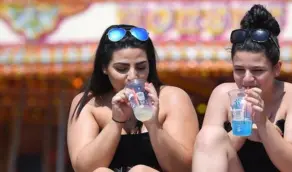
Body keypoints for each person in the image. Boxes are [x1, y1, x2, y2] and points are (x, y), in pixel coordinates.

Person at [192, 4, 292, 172]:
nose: (247, 78)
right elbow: (207, 153)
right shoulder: (223, 94)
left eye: (258, 71)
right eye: (239, 70)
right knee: (209, 135)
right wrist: (244, 126)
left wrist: (263, 124)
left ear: (277, 68)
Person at [67, 24, 199, 172]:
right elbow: (84, 169)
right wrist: (116, 122)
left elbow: (183, 168)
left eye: (141, 67)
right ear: (104, 68)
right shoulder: (89, 104)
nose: (133, 76)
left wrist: (154, 125)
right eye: (122, 69)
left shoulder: (172, 98)